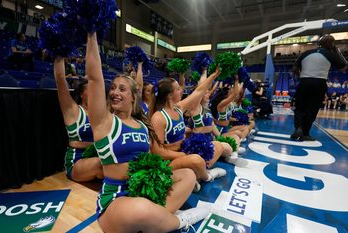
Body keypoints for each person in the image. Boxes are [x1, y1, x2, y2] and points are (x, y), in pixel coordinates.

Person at [85, 32, 209, 233]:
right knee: (142, 210)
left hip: (144, 191)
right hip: (117, 200)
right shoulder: (105, 122)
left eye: (122, 89)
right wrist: (92, 35)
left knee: (187, 175)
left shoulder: (142, 124)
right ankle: (179, 221)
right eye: (113, 88)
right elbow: (94, 79)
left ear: (133, 97)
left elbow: (140, 86)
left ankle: (157, 220)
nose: (115, 92)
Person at [150, 68, 227, 191]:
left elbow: (199, 92)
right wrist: (184, 154)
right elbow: (157, 152)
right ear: (170, 95)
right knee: (196, 160)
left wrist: (214, 75)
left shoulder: (179, 108)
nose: (182, 91)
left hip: (184, 152)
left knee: (217, 145)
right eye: (178, 89)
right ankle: (207, 176)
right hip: (169, 161)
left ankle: (195, 176)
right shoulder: (158, 117)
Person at [53, 57, 103, 182]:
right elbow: (60, 80)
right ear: (81, 94)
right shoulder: (74, 111)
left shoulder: (102, 113)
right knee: (102, 164)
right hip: (77, 161)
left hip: (100, 158)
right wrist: (59, 55)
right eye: (90, 90)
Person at [291, 34, 348, 141]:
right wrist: (338, 52)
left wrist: (302, 77)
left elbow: (295, 68)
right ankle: (305, 133)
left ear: (319, 44)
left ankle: (298, 127)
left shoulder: (305, 53)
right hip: (319, 83)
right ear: (331, 45)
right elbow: (343, 68)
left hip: (304, 82)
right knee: (311, 109)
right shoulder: (331, 54)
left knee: (299, 107)